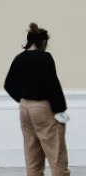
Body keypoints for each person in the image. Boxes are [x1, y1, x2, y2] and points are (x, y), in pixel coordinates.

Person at [4, 22, 69, 176]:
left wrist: (23, 99)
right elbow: (53, 84)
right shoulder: (45, 58)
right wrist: (60, 109)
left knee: (32, 156)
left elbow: (8, 84)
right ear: (43, 42)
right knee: (56, 155)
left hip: (25, 108)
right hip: (44, 108)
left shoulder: (19, 58)